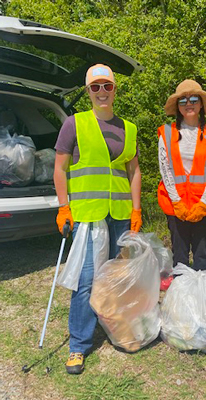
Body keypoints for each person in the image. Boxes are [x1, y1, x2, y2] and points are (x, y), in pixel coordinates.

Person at [54, 64, 142, 374]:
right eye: (95, 87)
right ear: (88, 91)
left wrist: (136, 209)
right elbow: (60, 169)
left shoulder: (128, 128)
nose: (102, 92)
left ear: (115, 89)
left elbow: (133, 172)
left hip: (119, 215)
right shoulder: (74, 124)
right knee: (87, 280)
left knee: (117, 278)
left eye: (107, 86)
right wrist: (64, 207)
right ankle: (79, 344)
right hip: (88, 216)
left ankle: (115, 328)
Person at [158, 80, 206, 272]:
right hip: (175, 204)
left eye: (194, 99)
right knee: (180, 254)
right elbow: (165, 168)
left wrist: (203, 203)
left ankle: (201, 295)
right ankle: (181, 296)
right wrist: (176, 201)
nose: (189, 104)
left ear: (201, 104)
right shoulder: (167, 133)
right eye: (183, 100)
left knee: (202, 254)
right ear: (177, 106)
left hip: (204, 204)